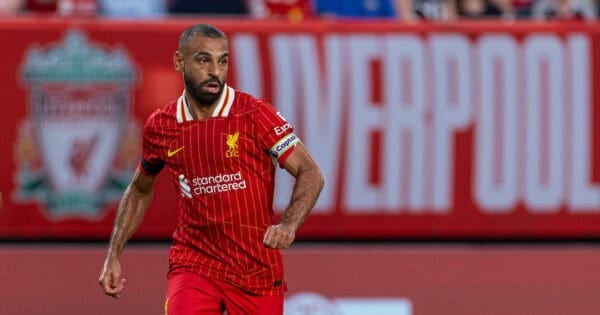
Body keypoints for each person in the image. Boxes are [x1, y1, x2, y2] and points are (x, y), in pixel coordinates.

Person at [98, 23, 324, 315]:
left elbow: (311, 173)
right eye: (204, 60)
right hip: (195, 264)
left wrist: (288, 225)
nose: (215, 71)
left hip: (255, 270)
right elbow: (140, 189)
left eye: (223, 60)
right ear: (179, 61)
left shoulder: (254, 115)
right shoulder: (161, 126)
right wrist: (113, 255)